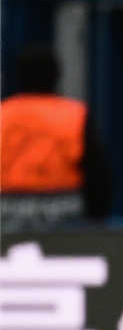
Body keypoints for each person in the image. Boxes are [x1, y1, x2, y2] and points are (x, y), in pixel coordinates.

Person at [0, 42, 108, 230]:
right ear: (56, 75)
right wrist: (97, 221)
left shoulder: (3, 114)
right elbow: (98, 174)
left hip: (7, 212)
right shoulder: (75, 115)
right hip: (65, 216)